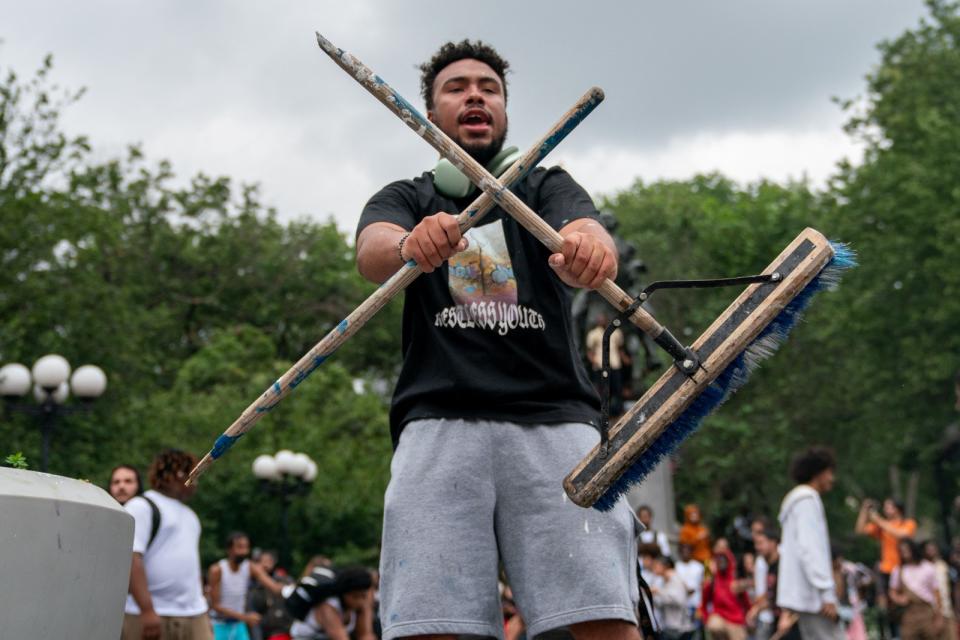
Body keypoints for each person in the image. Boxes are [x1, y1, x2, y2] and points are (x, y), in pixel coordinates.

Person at [355, 40, 640, 640]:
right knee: (430, 624)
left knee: (601, 617)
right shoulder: (408, 197)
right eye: (456, 88)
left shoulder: (546, 186)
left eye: (489, 87)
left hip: (557, 422)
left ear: (505, 113)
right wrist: (410, 245)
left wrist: (589, 248)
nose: (475, 94)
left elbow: (587, 230)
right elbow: (372, 251)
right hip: (438, 422)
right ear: (430, 117)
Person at [122, 449, 212, 640]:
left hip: (194, 614)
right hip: (151, 614)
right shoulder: (141, 506)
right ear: (173, 475)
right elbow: (131, 558)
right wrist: (147, 610)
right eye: (192, 473)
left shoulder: (191, 516)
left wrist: (202, 607)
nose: (196, 480)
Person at [776, 446, 844, 640]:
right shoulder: (806, 501)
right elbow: (811, 550)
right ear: (819, 473)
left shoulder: (797, 501)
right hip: (814, 596)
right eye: (830, 472)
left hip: (804, 595)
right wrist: (826, 593)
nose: (832, 478)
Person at [209, 532, 281, 640]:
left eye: (246, 547)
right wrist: (245, 617)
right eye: (239, 547)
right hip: (219, 625)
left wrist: (292, 589)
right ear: (229, 549)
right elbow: (215, 605)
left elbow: (273, 586)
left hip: (238, 625)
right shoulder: (217, 570)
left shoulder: (249, 567)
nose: (244, 552)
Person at [288, 567, 376, 640]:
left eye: (363, 596)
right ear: (344, 594)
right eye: (355, 597)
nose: (360, 601)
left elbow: (366, 635)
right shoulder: (327, 608)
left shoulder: (363, 605)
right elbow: (341, 638)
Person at [889, 539, 947, 640]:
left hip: (927, 612)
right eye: (902, 551)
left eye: (906, 550)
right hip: (909, 613)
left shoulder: (928, 567)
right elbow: (892, 591)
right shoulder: (898, 570)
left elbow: (937, 594)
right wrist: (899, 599)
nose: (904, 553)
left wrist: (939, 617)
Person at [700, 540, 749, 640]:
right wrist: (705, 617)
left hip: (735, 619)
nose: (722, 549)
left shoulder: (734, 570)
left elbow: (745, 597)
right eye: (719, 546)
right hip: (719, 616)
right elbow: (704, 596)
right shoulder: (709, 566)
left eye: (724, 547)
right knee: (714, 625)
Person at [585, 312, 628, 416]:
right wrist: (593, 361)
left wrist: (625, 358)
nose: (601, 321)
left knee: (617, 389)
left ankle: (618, 411)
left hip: (615, 364)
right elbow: (589, 351)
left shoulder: (616, 332)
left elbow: (620, 348)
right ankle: (601, 412)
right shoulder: (593, 334)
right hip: (600, 366)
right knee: (602, 389)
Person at [651, 555, 696, 640]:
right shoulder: (661, 581)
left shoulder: (675, 579)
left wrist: (658, 591)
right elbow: (660, 603)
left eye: (657, 565)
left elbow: (678, 600)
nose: (654, 567)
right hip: (668, 627)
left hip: (680, 629)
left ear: (666, 566)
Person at [674, 544, 705, 637]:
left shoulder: (698, 567)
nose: (685, 553)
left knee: (696, 633)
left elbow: (694, 587)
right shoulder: (676, 566)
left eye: (688, 550)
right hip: (680, 606)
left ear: (691, 552)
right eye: (683, 551)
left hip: (695, 605)